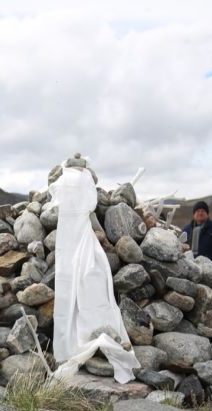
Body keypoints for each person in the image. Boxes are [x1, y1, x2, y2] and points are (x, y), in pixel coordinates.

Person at [47, 155, 140, 384]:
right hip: (77, 232)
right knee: (87, 280)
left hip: (69, 235)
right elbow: (90, 207)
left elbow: (54, 197)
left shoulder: (63, 179)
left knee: (71, 285)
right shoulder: (87, 177)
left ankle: (70, 344)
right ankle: (93, 337)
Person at [182, 201, 212, 268]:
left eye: (203, 211)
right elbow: (182, 245)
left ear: (207, 214)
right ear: (194, 214)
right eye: (197, 211)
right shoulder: (186, 229)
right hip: (189, 266)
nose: (200, 213)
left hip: (208, 267)